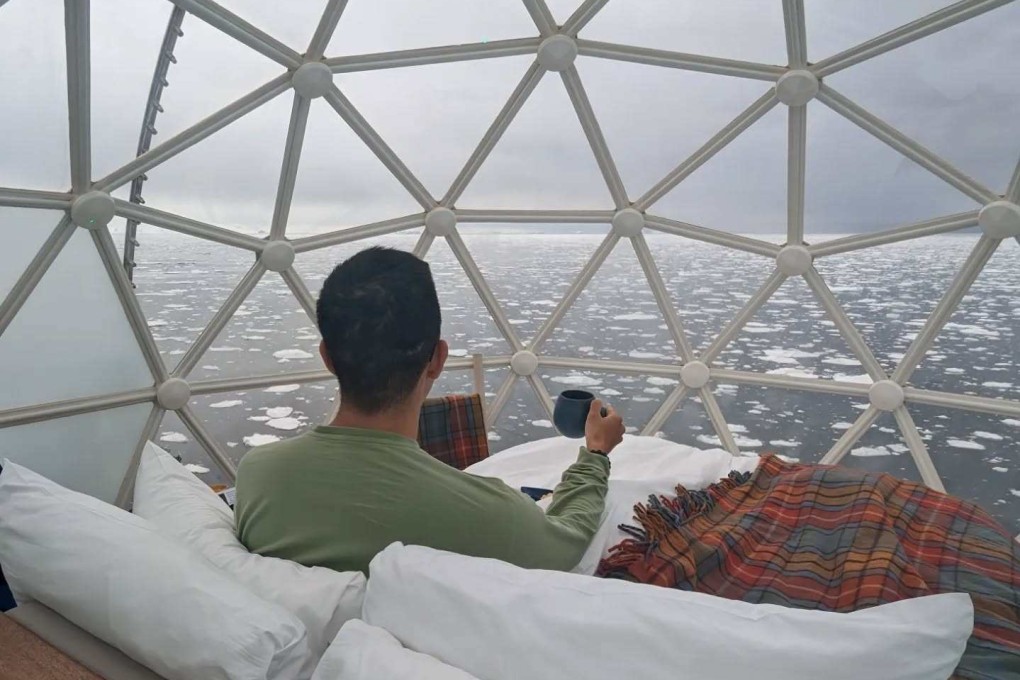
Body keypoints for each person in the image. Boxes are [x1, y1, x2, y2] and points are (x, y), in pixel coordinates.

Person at [235, 247, 625, 575]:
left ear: (327, 358)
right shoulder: (485, 515)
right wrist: (595, 454)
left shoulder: (258, 477)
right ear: (437, 360)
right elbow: (568, 541)